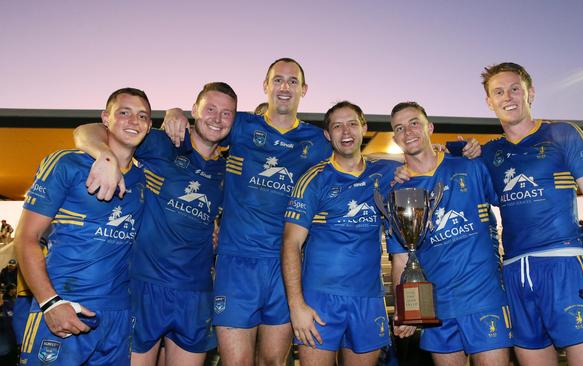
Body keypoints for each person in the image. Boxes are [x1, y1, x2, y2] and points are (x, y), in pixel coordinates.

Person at [163, 58, 332, 366]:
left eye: (292, 81)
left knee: (273, 362)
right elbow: (203, 124)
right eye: (277, 80)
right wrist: (175, 113)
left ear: (304, 89)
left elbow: (355, 159)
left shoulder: (317, 141)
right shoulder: (241, 126)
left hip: (285, 266)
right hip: (236, 264)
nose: (284, 87)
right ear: (265, 86)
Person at [73, 82, 236, 366]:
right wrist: (105, 155)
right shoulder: (163, 143)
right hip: (144, 287)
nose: (217, 119)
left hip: (195, 294)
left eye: (226, 113)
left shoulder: (226, 169)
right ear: (194, 110)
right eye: (210, 109)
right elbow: (86, 131)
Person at [479, 62, 583, 365]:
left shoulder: (562, 134)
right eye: (499, 91)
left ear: (530, 93)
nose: (508, 96)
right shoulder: (489, 153)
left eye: (515, 88)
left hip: (566, 266)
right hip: (515, 272)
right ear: (489, 102)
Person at [14, 87, 152, 365]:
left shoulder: (144, 180)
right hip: (64, 305)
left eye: (142, 116)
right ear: (105, 118)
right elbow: (26, 237)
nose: (133, 121)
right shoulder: (67, 163)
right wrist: (50, 302)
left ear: (149, 126)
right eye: (124, 113)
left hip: (118, 316)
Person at [387, 101, 512, 365]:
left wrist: (478, 150)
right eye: (399, 128)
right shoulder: (398, 192)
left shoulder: (469, 166)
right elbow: (400, 259)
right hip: (436, 307)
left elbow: (509, 201)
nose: (408, 131)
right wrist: (403, 309)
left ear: (429, 127)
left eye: (414, 123)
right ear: (395, 138)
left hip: (484, 299)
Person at [282, 101, 398, 365]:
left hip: (368, 299)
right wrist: (296, 305)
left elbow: (427, 167)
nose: (346, 131)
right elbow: (291, 243)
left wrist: (455, 151)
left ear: (364, 128)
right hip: (319, 301)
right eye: (337, 126)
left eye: (352, 123)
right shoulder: (313, 178)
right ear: (327, 134)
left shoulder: (387, 173)